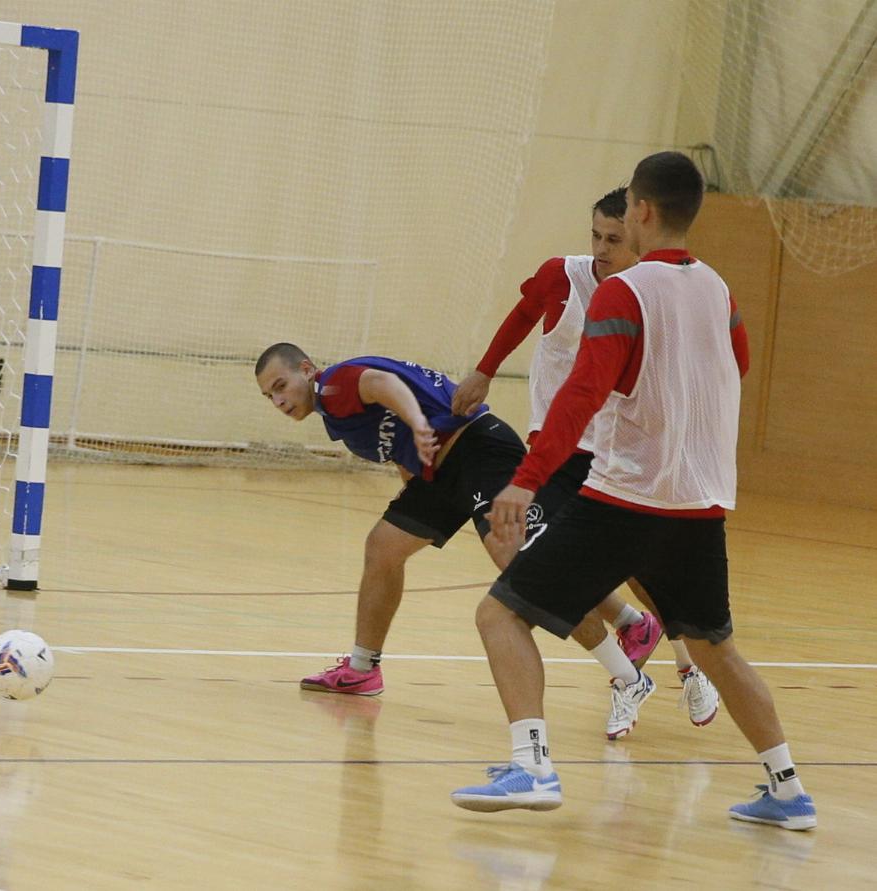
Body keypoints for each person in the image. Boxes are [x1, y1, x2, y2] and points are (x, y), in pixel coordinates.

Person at [451, 151, 814, 831]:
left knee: (501, 614)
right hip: (700, 505)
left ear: (641, 210)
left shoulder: (624, 292)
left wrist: (525, 483)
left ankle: (532, 766)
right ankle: (789, 789)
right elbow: (736, 363)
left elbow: (582, 395)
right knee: (715, 648)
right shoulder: (719, 290)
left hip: (626, 500)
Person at [451, 186, 721, 734]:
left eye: (614, 239)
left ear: (638, 237)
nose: (601, 248)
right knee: (538, 559)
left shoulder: (650, 295)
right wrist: (484, 370)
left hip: (621, 457)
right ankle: (627, 672)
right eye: (595, 235)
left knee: (646, 573)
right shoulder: (562, 276)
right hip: (557, 452)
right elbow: (521, 314)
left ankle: (690, 666)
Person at [254, 345, 643, 706]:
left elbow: (384, 384)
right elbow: (400, 448)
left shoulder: (335, 384)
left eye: (281, 386)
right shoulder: (333, 413)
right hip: (438, 474)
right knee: (383, 547)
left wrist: (417, 423)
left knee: (525, 569)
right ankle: (362, 669)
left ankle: (629, 675)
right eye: (269, 396)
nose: (278, 401)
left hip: (479, 449)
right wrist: (413, 492)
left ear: (307, 369)